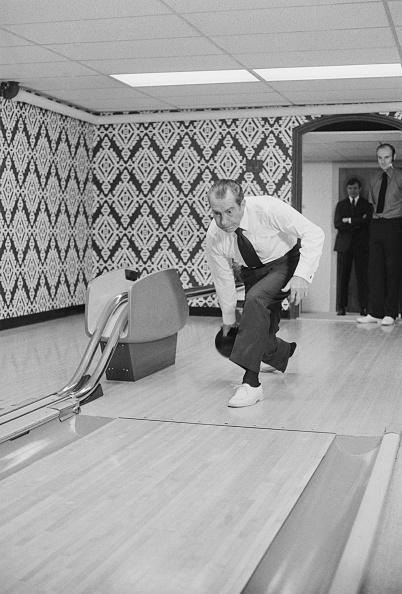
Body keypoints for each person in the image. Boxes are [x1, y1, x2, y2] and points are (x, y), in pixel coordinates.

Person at [205, 179, 325, 408]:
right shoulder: (214, 235)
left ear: (242, 204)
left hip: (285, 264)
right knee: (261, 332)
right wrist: (228, 320)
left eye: (230, 211)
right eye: (217, 213)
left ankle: (251, 385)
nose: (224, 221)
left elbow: (314, 233)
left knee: (254, 300)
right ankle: (281, 351)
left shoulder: (268, 208)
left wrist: (302, 275)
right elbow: (223, 278)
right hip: (251, 272)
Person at [357, 143, 402, 326]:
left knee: (393, 270)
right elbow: (372, 203)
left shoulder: (400, 176)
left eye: (387, 157)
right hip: (376, 224)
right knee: (375, 270)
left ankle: (392, 312)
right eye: (380, 157)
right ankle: (375, 312)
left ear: (394, 156)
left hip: (395, 224)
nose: (383, 161)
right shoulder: (373, 178)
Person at [334, 177, 372, 316]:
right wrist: (357, 221)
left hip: (361, 246)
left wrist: (348, 220)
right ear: (347, 189)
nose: (352, 191)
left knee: (362, 277)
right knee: (343, 277)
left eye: (355, 188)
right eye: (350, 188)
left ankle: (364, 307)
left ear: (360, 189)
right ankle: (341, 307)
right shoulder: (341, 205)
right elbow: (337, 224)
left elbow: (367, 221)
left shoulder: (366, 204)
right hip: (344, 246)